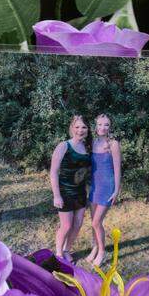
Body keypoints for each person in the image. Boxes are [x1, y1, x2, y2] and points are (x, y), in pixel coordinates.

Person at [49, 115, 91, 261]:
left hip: (81, 192)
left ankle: (67, 250)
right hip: (65, 192)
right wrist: (56, 195)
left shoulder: (88, 147)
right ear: (72, 128)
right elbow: (53, 172)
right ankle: (59, 254)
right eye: (77, 127)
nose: (80, 130)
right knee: (66, 226)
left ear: (88, 129)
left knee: (77, 224)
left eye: (84, 127)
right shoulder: (63, 146)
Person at [86, 113, 121, 267]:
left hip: (107, 187)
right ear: (95, 126)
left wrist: (116, 190)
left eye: (106, 124)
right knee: (93, 221)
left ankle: (101, 251)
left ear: (110, 127)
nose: (102, 127)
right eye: (100, 124)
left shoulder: (113, 144)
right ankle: (95, 247)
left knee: (96, 222)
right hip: (94, 187)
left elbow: (118, 170)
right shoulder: (92, 143)